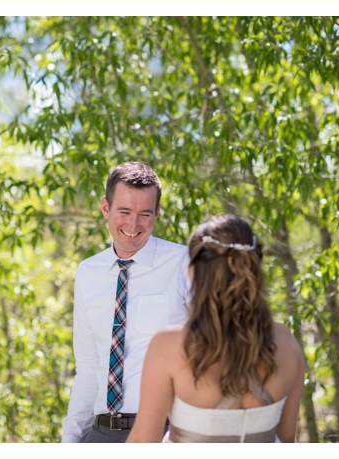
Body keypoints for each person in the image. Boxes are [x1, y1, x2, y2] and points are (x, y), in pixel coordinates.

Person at [126, 214, 305, 443]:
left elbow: (143, 444)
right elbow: (287, 437)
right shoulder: (286, 342)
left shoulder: (169, 345)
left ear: (193, 271)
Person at [61, 162, 192, 443]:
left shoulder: (185, 264)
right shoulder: (88, 273)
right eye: (124, 212)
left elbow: (213, 352)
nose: (133, 226)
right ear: (105, 208)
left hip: (165, 433)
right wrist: (70, 438)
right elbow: (87, 366)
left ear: (157, 213)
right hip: (100, 434)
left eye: (145, 214)